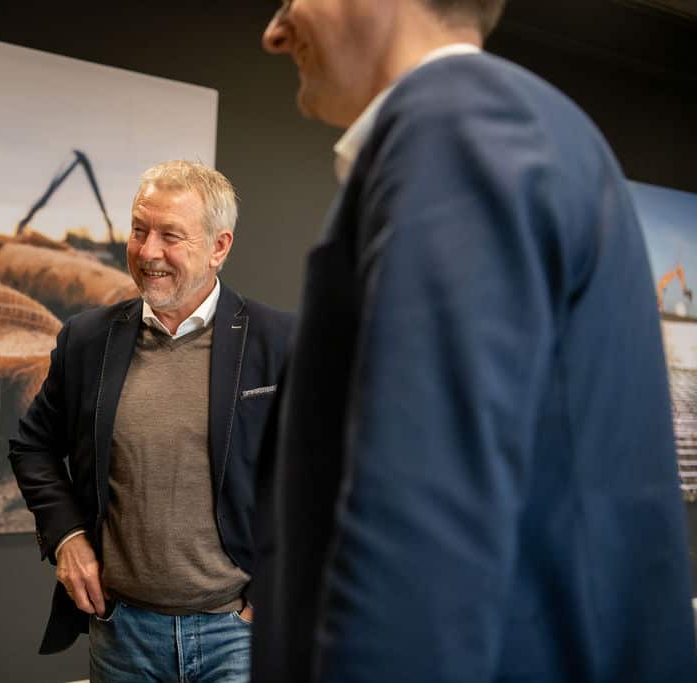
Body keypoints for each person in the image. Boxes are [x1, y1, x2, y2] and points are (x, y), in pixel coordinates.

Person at [252, 1, 697, 681]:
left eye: (291, 0)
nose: (275, 33)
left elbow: (420, 533)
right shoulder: (522, 127)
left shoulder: (452, 124)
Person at [9, 160, 292, 682]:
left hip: (238, 632)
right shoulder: (87, 340)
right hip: (122, 632)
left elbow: (320, 478)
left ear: (219, 247)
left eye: (170, 236)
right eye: (139, 230)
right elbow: (32, 447)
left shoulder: (279, 343)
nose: (147, 252)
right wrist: (67, 537)